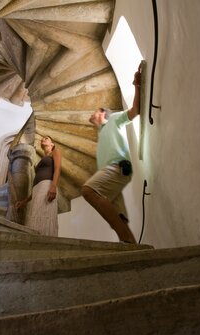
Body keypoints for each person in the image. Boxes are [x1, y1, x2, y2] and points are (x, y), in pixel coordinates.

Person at [81, 64, 141, 244]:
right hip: (111, 172)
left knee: (88, 190)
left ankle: (126, 241)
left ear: (102, 113)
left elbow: (135, 111)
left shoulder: (114, 119)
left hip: (118, 167)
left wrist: (137, 86)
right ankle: (132, 246)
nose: (91, 116)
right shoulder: (101, 134)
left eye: (94, 112)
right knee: (118, 217)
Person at [16, 136, 61, 236]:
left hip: (47, 186)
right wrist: (24, 202)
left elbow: (57, 169)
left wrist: (53, 187)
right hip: (37, 190)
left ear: (52, 144)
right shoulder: (42, 159)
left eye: (46, 138)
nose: (43, 139)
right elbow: (36, 186)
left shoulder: (55, 151)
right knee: (34, 216)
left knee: (45, 215)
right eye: (42, 139)